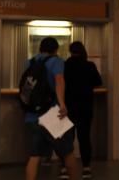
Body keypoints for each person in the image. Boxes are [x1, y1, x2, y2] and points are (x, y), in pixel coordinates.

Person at [25, 37, 78, 180]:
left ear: (40, 48)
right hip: (52, 114)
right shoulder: (56, 61)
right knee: (68, 152)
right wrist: (62, 104)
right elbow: (59, 81)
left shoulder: (31, 62)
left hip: (32, 115)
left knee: (34, 155)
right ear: (56, 49)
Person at [60, 41, 103, 179]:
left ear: (70, 51)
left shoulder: (65, 66)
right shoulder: (89, 66)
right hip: (85, 107)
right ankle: (86, 167)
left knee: (67, 138)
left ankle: (64, 168)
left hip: (68, 108)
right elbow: (98, 82)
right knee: (84, 137)